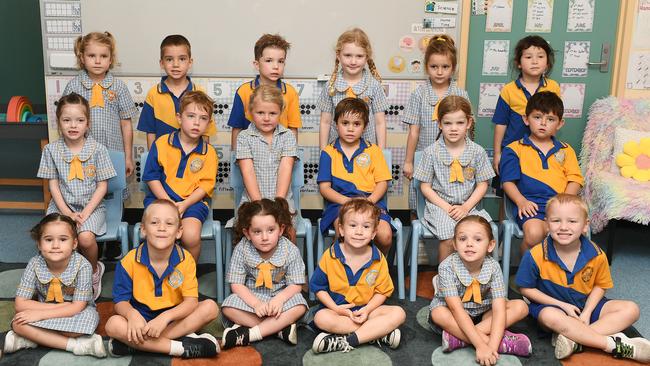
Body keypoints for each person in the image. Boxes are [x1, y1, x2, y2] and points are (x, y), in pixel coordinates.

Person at [516, 194, 650, 362]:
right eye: (556, 221)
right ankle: (611, 344)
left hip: (585, 306)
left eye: (572, 221)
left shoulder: (596, 254)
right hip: (553, 307)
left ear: (585, 226)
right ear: (547, 225)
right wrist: (562, 305)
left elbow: (601, 285)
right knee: (548, 316)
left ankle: (575, 340)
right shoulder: (535, 255)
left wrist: (587, 312)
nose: (564, 227)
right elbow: (525, 289)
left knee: (631, 309)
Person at [105, 199, 220, 359]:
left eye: (169, 223)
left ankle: (137, 345)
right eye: (154, 222)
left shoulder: (186, 260)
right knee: (113, 325)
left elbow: (191, 302)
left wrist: (165, 318)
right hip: (141, 320)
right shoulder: (129, 261)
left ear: (179, 231)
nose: (161, 228)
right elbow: (120, 302)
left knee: (210, 308)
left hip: (174, 319)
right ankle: (180, 348)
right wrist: (132, 315)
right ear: (143, 229)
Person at [37, 93, 116, 299]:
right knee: (55, 235)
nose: (73, 125)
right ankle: (61, 274)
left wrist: (84, 213)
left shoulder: (98, 150)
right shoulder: (51, 150)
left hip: (92, 207)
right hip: (61, 206)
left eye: (79, 120)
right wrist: (67, 214)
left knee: (85, 238)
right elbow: (53, 185)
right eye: (67, 120)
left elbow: (102, 186)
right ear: (59, 122)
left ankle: (91, 271)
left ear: (87, 123)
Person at [430, 215, 531, 365]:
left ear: (490, 245)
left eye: (477, 239)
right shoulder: (446, 267)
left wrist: (491, 347)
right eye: (463, 239)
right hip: (455, 312)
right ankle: (505, 344)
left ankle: (458, 338)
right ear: (455, 244)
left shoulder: (494, 267)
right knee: (437, 313)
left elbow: (498, 310)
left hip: (484, 311)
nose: (469, 244)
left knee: (521, 307)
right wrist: (481, 345)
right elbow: (456, 309)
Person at [2, 214, 106, 358]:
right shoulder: (34, 263)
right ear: (39, 244)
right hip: (51, 309)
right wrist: (57, 309)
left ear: (74, 243)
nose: (55, 245)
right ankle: (75, 345)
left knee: (82, 325)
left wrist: (40, 314)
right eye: (48, 240)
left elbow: (78, 306)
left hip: (75, 313)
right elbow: (20, 304)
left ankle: (33, 338)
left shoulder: (83, 266)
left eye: (63, 239)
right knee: (18, 323)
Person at [310, 198, 406, 354]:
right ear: (341, 229)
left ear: (374, 233)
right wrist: (336, 309)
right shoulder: (330, 255)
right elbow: (318, 288)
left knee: (399, 313)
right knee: (320, 318)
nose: (359, 232)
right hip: (338, 311)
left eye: (366, 226)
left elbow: (382, 291)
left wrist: (367, 310)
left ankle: (348, 340)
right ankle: (377, 334)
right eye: (353, 225)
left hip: (367, 311)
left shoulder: (378, 258)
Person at [499, 91, 583, 254]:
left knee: (568, 235)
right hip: (530, 206)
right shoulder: (514, 149)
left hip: (561, 207)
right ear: (526, 119)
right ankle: (529, 276)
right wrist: (521, 201)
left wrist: (561, 205)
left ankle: (555, 274)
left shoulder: (567, 150)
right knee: (534, 235)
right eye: (537, 117)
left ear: (559, 124)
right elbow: (508, 182)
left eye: (550, 119)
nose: (543, 123)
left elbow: (575, 180)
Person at [413, 95, 494, 263]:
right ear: (440, 125)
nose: (453, 128)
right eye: (448, 123)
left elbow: (482, 185)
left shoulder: (477, 152)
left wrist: (465, 207)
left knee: (482, 234)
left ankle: (478, 280)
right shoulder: (431, 152)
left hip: (469, 206)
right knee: (451, 237)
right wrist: (448, 208)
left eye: (460, 123)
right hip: (440, 207)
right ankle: (446, 282)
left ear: (469, 123)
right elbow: (425, 187)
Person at [221, 198, 308, 349]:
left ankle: (252, 334)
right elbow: (236, 284)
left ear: (280, 230)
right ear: (247, 233)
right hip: (253, 297)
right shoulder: (242, 249)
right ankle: (278, 329)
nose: (265, 237)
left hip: (281, 298)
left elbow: (296, 285)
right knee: (228, 306)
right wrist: (255, 304)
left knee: (300, 305)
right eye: (257, 232)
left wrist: (280, 299)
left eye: (270, 230)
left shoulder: (290, 250)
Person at [142, 90, 218, 261]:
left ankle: (189, 277)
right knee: (159, 233)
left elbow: (205, 186)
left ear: (209, 123)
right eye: (191, 116)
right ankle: (158, 274)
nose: (196, 123)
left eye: (203, 118)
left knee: (190, 236)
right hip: (160, 199)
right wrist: (168, 203)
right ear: (179, 118)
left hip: (192, 203)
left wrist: (184, 205)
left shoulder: (209, 153)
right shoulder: (161, 143)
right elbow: (151, 177)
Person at [402, 34, 469, 217]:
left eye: (445, 67)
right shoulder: (419, 94)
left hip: (453, 158)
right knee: (419, 200)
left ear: (453, 68)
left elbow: (467, 132)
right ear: (426, 67)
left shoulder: (461, 94)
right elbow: (414, 132)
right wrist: (408, 161)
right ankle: (418, 239)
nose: (439, 72)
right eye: (434, 67)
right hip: (424, 157)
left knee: (451, 200)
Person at [317, 98, 393, 254]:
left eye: (356, 124)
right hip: (340, 204)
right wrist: (348, 202)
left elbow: (382, 183)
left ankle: (377, 268)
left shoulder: (374, 151)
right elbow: (324, 188)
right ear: (336, 125)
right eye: (345, 123)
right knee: (344, 234)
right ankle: (345, 271)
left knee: (385, 236)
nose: (350, 129)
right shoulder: (328, 153)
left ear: (364, 127)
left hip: (371, 202)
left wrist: (369, 202)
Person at [63, 31, 137, 177]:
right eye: (92, 56)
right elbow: (64, 120)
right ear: (82, 58)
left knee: (112, 191)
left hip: (113, 153)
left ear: (110, 60)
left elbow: (126, 125)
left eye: (103, 56)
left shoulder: (119, 87)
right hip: (82, 153)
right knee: (86, 190)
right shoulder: (73, 87)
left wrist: (128, 157)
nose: (98, 61)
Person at [492, 35, 560, 176]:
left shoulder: (553, 87)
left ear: (547, 63)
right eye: (528, 57)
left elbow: (555, 120)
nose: (534, 62)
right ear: (518, 63)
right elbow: (501, 124)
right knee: (511, 186)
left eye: (540, 57)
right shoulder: (508, 90)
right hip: (513, 151)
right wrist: (497, 153)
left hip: (542, 151)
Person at [137, 34, 216, 149]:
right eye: (169, 59)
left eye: (182, 59)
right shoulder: (153, 94)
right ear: (161, 63)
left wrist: (203, 159)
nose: (175, 64)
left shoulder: (199, 93)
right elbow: (150, 132)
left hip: (192, 161)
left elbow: (206, 132)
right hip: (162, 161)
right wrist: (152, 159)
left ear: (190, 62)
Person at [236, 84, 298, 228]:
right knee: (253, 231)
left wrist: (279, 203)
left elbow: (285, 169)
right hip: (252, 201)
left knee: (288, 232)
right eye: (260, 113)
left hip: (282, 200)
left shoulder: (287, 136)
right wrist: (259, 206)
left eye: (272, 113)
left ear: (281, 112)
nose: (266, 118)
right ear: (251, 112)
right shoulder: (244, 137)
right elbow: (247, 172)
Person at [228, 33, 302, 150]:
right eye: (269, 60)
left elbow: (293, 129)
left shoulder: (291, 93)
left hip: (281, 156)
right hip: (249, 156)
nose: (276, 66)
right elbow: (237, 128)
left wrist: (292, 155)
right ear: (257, 64)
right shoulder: (244, 91)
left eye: (281, 61)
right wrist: (234, 158)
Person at [318, 28, 388, 150]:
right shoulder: (330, 86)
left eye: (359, 56)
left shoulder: (374, 86)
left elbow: (380, 123)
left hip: (367, 151)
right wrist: (324, 152)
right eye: (348, 55)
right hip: (337, 151)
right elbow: (325, 122)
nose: (353, 61)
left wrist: (381, 153)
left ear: (367, 57)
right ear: (338, 56)